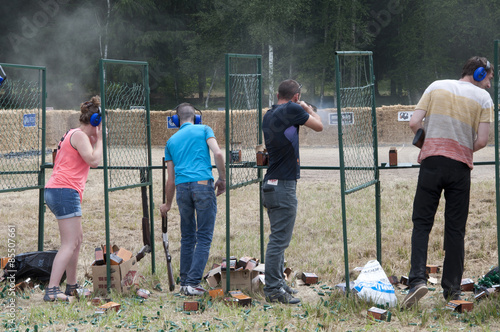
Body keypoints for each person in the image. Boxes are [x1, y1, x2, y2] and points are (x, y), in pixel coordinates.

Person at [402, 56, 494, 309]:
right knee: (455, 229)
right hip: (459, 168)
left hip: (431, 163)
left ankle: (417, 281)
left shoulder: (435, 86)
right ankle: (452, 290)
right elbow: (483, 140)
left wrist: (429, 144)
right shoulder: (484, 99)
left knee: (421, 224)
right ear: (478, 75)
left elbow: (413, 123)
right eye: (488, 78)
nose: (489, 85)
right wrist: (461, 149)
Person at [261, 79, 323, 304]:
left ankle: (278, 284)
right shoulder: (294, 108)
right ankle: (274, 290)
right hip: (283, 185)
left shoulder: (268, 114)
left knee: (278, 239)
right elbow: (319, 125)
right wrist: (306, 108)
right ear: (296, 96)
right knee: (278, 241)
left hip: (271, 184)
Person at [160, 103, 226, 296]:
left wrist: (168, 204)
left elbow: (170, 180)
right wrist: (222, 179)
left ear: (175, 120)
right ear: (197, 118)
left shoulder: (171, 141)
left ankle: (184, 282)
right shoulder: (205, 129)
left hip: (182, 190)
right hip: (203, 185)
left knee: (188, 237)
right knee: (204, 237)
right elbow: (219, 153)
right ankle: (193, 283)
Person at [44, 96, 104, 301]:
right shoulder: (79, 136)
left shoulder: (75, 134)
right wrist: (101, 140)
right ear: (96, 121)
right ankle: (52, 290)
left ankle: (71, 286)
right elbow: (94, 161)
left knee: (76, 241)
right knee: (69, 243)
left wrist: (95, 140)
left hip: (62, 190)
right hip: (64, 191)